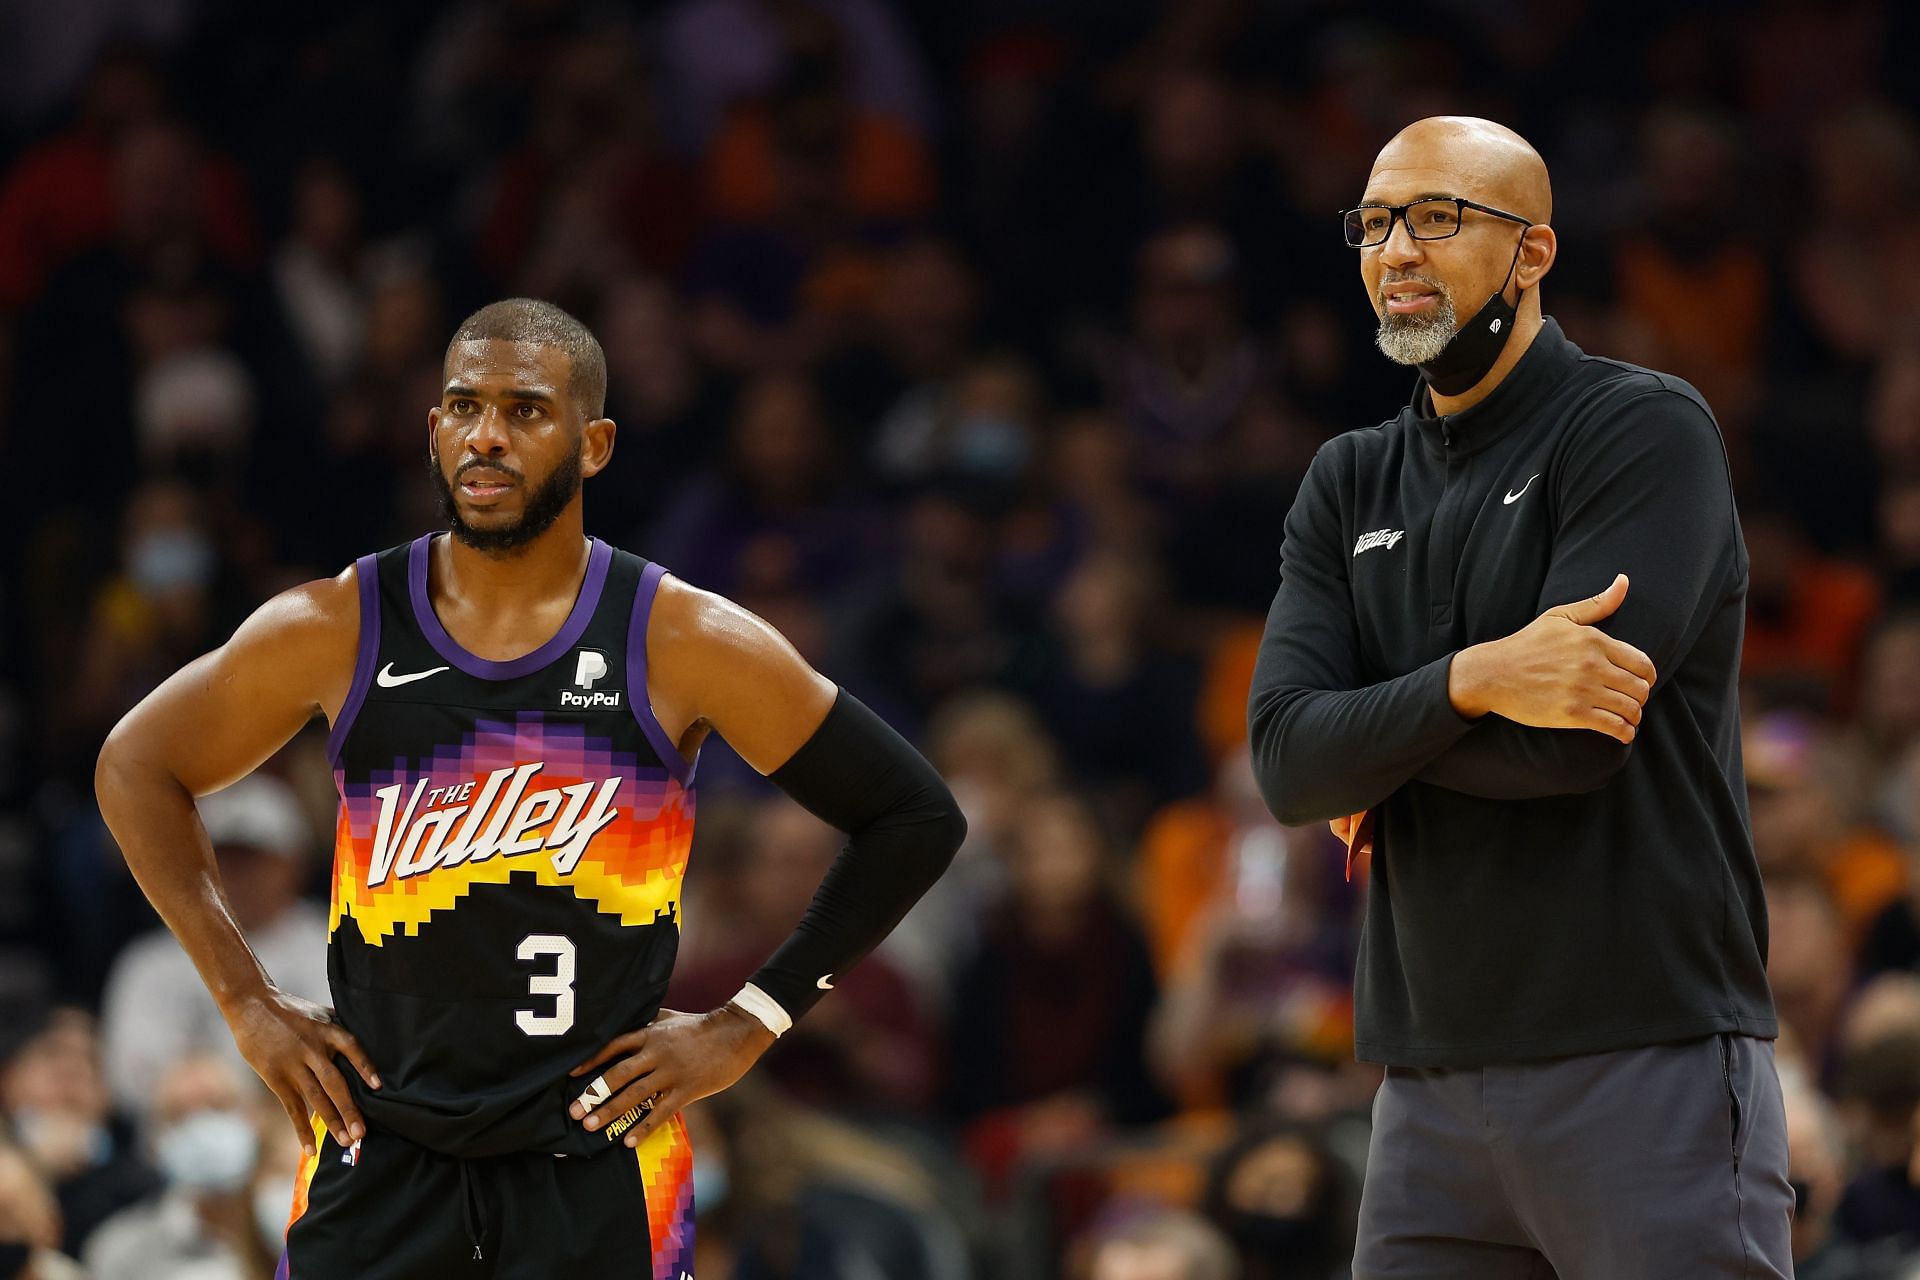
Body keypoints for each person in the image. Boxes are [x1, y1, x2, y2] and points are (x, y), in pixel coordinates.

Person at [94, 297, 966, 1278]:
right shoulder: (339, 622)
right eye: (464, 407)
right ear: (433, 430)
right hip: (379, 1151)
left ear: (593, 444)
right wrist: (245, 996)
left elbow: (914, 814)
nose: (488, 435)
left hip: (599, 1157)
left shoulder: (678, 636)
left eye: (526, 409)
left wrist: (748, 1020)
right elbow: (135, 762)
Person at [1246, 117, 1791, 1277]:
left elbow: (1571, 750)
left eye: (1437, 217)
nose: (1396, 248)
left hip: (1643, 1051)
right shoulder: (1346, 480)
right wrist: (1474, 679)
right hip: (1426, 1080)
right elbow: (1289, 760)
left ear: (1532, 252)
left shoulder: (1640, 428)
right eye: (1375, 223)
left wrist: (1375, 749)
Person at [99, 773, 330, 1118]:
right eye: (224, 858)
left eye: (252, 859)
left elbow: (339, 1049)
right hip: (176, 1130)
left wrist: (239, 1087)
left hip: (297, 1129)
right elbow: (128, 1073)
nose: (237, 874)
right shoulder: (152, 959)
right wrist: (199, 1087)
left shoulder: (329, 942)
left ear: (292, 864)